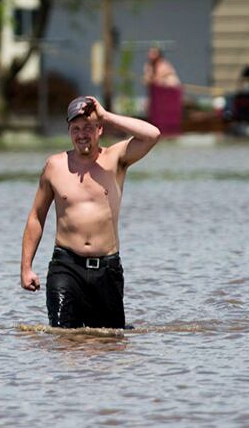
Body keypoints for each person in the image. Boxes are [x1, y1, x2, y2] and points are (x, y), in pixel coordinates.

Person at [19, 95, 161, 329]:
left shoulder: (116, 158)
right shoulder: (54, 166)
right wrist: (26, 268)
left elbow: (152, 134)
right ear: (69, 131)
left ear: (99, 129)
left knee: (110, 342)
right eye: (75, 128)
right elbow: (36, 216)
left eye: (88, 127)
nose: (82, 134)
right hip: (65, 266)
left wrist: (105, 114)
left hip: (107, 268)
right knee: (62, 337)